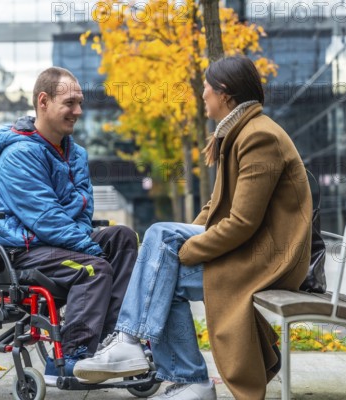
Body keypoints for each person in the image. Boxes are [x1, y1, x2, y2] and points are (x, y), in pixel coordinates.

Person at [73, 56, 312, 400]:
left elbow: (242, 223)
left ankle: (134, 345)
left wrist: (180, 249)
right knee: (162, 271)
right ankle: (189, 382)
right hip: (254, 251)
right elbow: (213, 210)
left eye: (206, 89)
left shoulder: (259, 137)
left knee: (159, 243)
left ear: (225, 94)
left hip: (272, 259)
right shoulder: (239, 131)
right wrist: (171, 250)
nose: (202, 96)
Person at [0, 67, 137, 385]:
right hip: (25, 248)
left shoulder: (75, 154)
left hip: (57, 243)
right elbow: (45, 219)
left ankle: (110, 345)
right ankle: (67, 357)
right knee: (94, 268)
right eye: (70, 103)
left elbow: (82, 210)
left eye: (80, 103)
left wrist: (90, 241)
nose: (78, 111)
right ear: (43, 101)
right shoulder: (18, 155)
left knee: (122, 238)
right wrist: (91, 248)